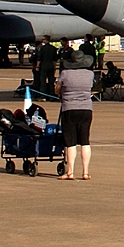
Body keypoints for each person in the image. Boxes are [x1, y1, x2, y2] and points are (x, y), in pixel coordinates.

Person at [56, 49, 95, 180]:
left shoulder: (65, 73)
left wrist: (61, 93)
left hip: (69, 108)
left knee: (70, 142)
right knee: (85, 140)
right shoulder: (90, 74)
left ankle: (70, 172)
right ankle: (85, 172)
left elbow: (57, 88)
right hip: (86, 109)